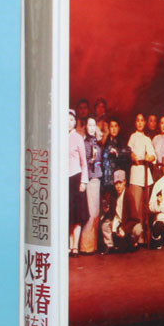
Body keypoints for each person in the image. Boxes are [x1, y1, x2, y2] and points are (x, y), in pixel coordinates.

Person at [127, 112, 157, 233]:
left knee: (145, 206)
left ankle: (143, 236)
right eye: (138, 120)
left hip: (145, 173)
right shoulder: (133, 137)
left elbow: (153, 156)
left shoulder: (147, 139)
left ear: (144, 123)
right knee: (135, 206)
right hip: (136, 173)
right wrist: (132, 155)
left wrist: (149, 157)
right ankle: (135, 235)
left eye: (142, 120)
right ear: (135, 123)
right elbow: (128, 151)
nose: (140, 123)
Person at [102, 170, 143, 251]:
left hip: (127, 223)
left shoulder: (128, 195)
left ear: (124, 182)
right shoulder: (113, 195)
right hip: (118, 222)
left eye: (120, 183)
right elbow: (112, 213)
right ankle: (110, 246)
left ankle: (133, 242)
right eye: (116, 184)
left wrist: (125, 229)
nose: (118, 186)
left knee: (138, 229)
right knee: (105, 225)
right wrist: (107, 211)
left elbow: (135, 219)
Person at [79, 117, 103, 254]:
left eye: (94, 125)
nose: (92, 128)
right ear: (86, 127)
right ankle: (86, 247)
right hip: (90, 177)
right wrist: (92, 160)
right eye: (90, 125)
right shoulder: (85, 143)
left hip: (97, 177)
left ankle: (93, 246)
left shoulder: (97, 142)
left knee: (96, 213)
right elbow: (84, 162)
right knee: (91, 213)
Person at [68, 110, 89, 257]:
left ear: (75, 122)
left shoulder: (78, 138)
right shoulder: (60, 137)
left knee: (77, 215)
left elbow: (84, 162)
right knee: (68, 214)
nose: (68, 122)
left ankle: (75, 246)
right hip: (64, 180)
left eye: (71, 120)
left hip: (76, 178)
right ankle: (69, 246)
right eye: (66, 119)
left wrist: (83, 181)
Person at [101, 118, 130, 189]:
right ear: (109, 128)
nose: (114, 129)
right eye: (111, 126)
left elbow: (128, 151)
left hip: (117, 180)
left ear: (119, 128)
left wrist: (117, 152)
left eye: (115, 126)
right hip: (106, 179)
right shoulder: (106, 142)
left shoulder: (122, 141)